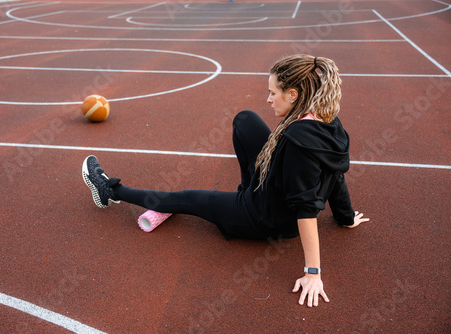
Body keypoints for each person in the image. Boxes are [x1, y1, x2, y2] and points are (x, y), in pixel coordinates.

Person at [82, 54, 369, 308]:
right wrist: (344, 217)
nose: (268, 99)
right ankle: (246, 190)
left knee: (188, 198)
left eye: (273, 93)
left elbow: (305, 209)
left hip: (262, 217)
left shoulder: (298, 146)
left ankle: (110, 191)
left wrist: (313, 273)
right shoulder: (328, 121)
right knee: (245, 120)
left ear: (293, 95)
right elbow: (336, 172)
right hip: (270, 190)